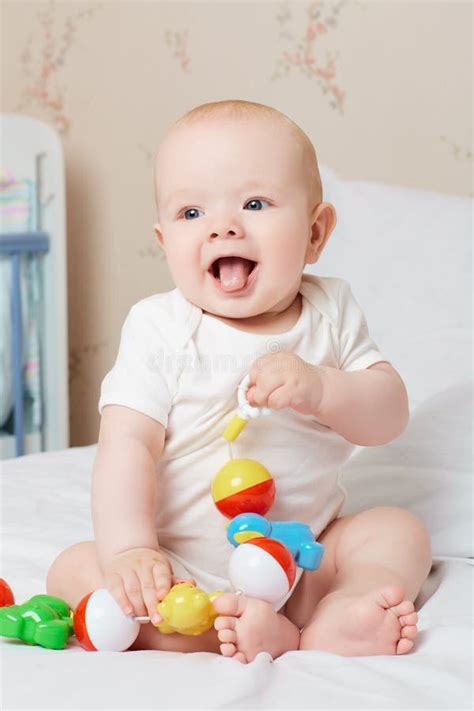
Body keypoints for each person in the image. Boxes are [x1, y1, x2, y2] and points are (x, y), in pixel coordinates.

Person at [47, 99, 432, 662]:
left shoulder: (331, 311)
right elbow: (126, 443)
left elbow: (389, 413)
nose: (223, 226)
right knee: (73, 570)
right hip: (182, 576)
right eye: (190, 214)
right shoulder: (160, 328)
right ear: (164, 242)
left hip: (304, 558)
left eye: (255, 203)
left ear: (315, 232)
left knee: (398, 531)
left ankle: (338, 612)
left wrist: (323, 388)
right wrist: (131, 549)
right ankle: (218, 630)